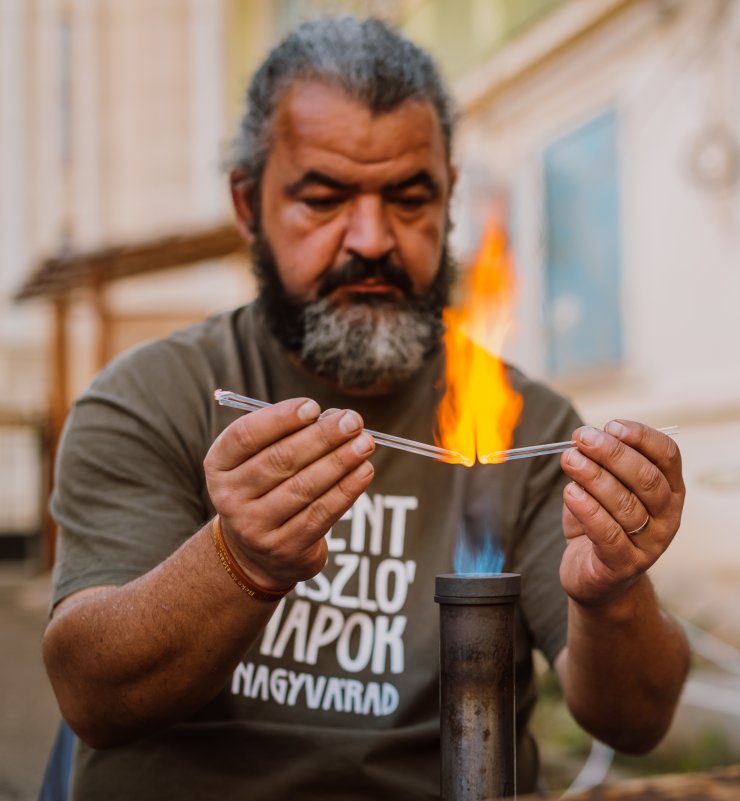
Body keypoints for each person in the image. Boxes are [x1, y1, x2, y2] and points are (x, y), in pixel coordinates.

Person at [41, 16, 689, 800]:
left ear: (449, 198)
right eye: (324, 198)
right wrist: (237, 560)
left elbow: (635, 721)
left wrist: (613, 594)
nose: (373, 239)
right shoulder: (151, 397)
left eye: (411, 198)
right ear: (250, 205)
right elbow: (91, 693)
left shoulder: (535, 424)